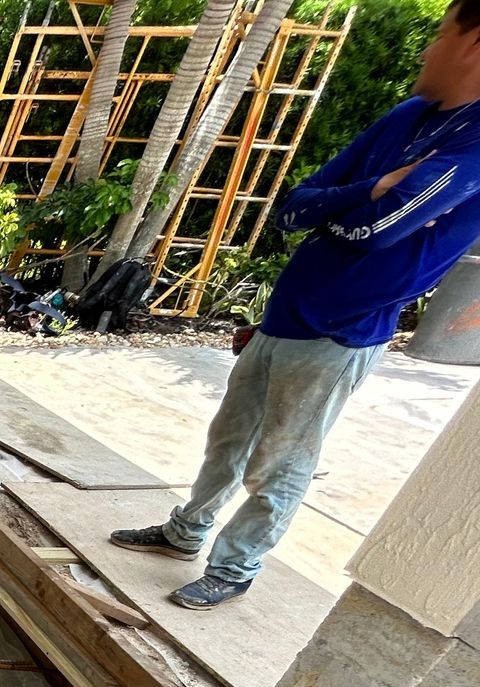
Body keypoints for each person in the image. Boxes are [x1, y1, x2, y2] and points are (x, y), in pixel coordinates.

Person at [112, 0, 480, 608]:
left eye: (439, 35)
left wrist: (350, 209)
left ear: (472, 45)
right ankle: (186, 533)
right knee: (228, 440)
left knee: (278, 462)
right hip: (286, 314)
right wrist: (369, 189)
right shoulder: (408, 118)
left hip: (340, 333)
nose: (424, 49)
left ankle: (234, 569)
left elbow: (379, 230)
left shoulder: (473, 146)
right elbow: (294, 207)